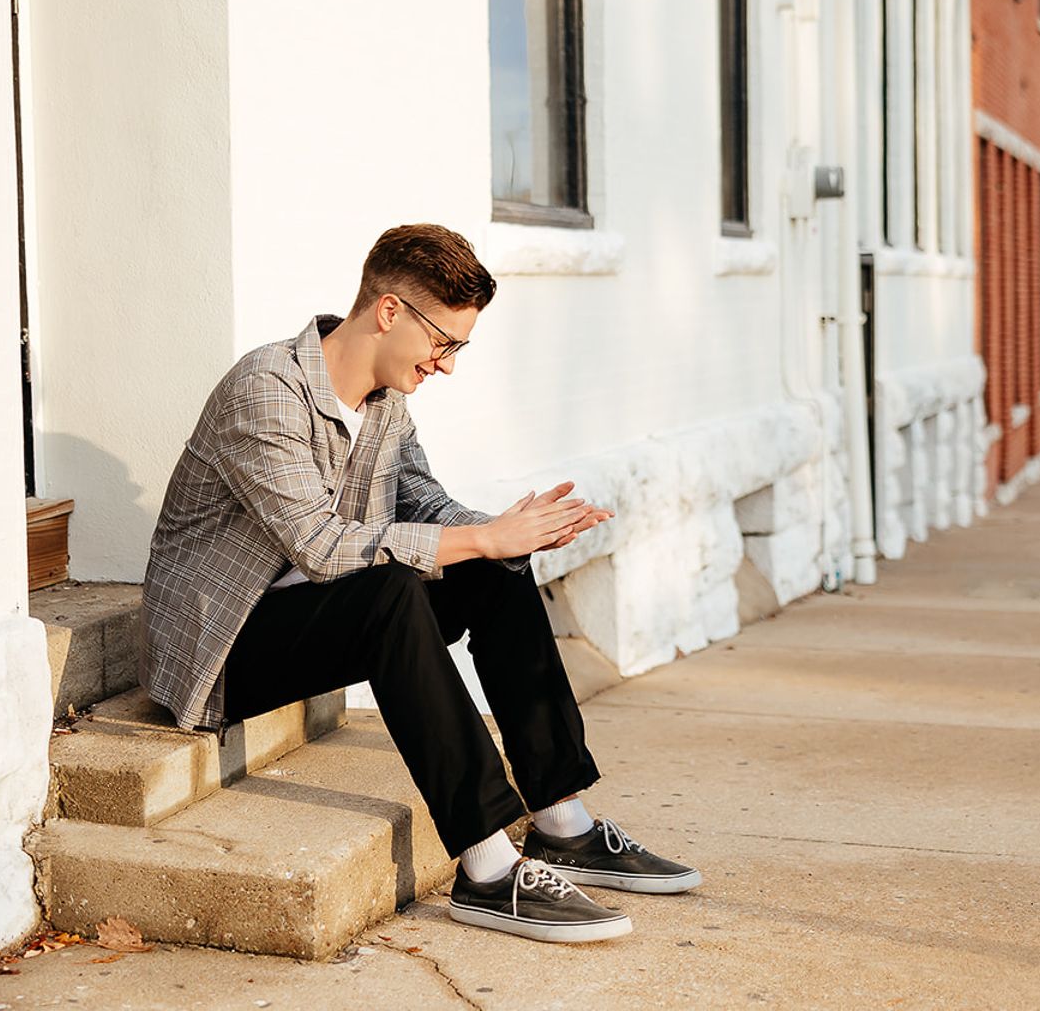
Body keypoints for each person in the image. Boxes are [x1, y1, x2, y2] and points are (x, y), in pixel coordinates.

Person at [138, 223, 701, 944]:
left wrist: (505, 532)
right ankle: (489, 869)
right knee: (393, 590)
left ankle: (562, 820)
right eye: (445, 343)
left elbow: (423, 502)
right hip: (225, 648)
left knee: (494, 567)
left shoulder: (384, 402)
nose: (447, 365)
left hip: (317, 616)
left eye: (459, 348)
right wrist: (478, 538)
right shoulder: (268, 389)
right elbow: (321, 547)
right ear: (390, 311)